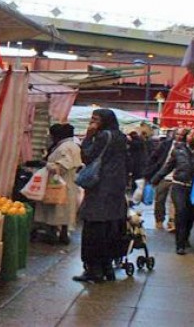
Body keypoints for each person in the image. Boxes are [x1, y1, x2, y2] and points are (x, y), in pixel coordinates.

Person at [73, 109, 128, 283]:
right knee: (109, 230)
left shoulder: (102, 136)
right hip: (116, 189)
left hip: (100, 189)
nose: (92, 123)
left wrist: (88, 137)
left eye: (95, 119)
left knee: (92, 230)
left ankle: (93, 269)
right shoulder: (120, 136)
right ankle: (107, 268)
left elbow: (88, 157)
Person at [152, 128, 194, 255]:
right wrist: (154, 180)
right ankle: (179, 244)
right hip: (179, 186)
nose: (191, 137)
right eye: (189, 134)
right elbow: (168, 166)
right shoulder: (178, 150)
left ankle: (185, 238)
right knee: (181, 212)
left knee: (191, 215)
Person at [33, 124, 83, 245]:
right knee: (65, 210)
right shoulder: (72, 145)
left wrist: (47, 165)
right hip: (69, 183)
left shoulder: (64, 147)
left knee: (55, 209)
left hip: (59, 183)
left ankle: (53, 235)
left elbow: (63, 166)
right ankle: (63, 234)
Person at [144, 129, 188, 231]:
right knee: (160, 199)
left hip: (178, 178)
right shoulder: (165, 144)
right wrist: (150, 171)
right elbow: (154, 157)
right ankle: (159, 220)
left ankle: (172, 222)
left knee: (174, 201)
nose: (179, 136)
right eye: (177, 134)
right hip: (163, 175)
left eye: (182, 135)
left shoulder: (187, 147)